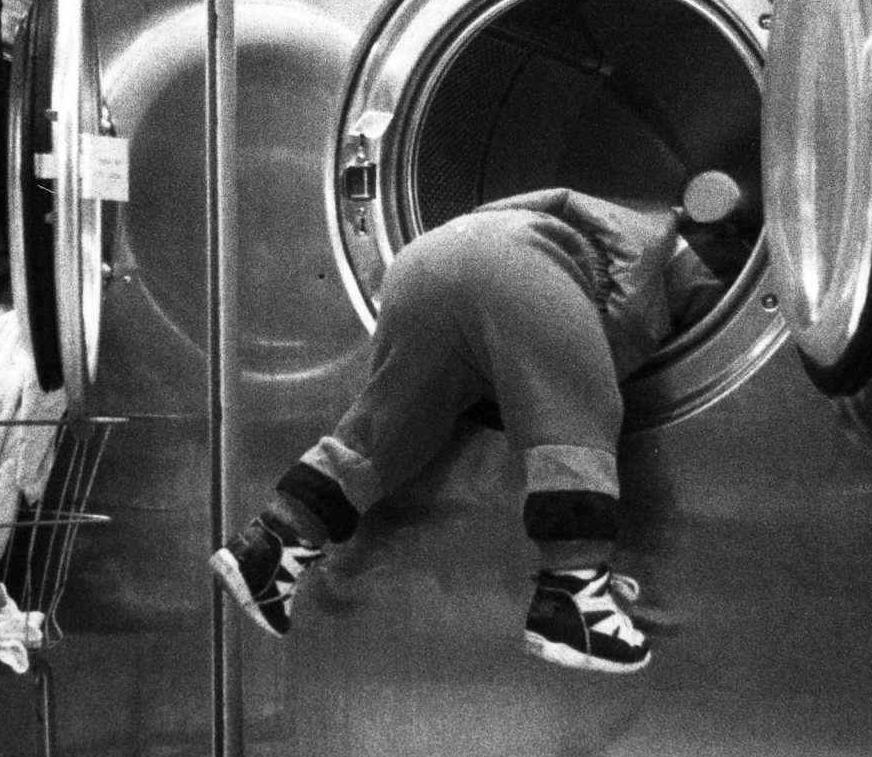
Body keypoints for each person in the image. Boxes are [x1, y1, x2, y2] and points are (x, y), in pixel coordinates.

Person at [212, 185, 739, 676]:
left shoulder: (605, 224)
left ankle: (273, 543)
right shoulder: (664, 260)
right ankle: (574, 596)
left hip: (425, 257)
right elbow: (603, 359)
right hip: (519, 269)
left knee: (391, 425)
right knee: (576, 410)